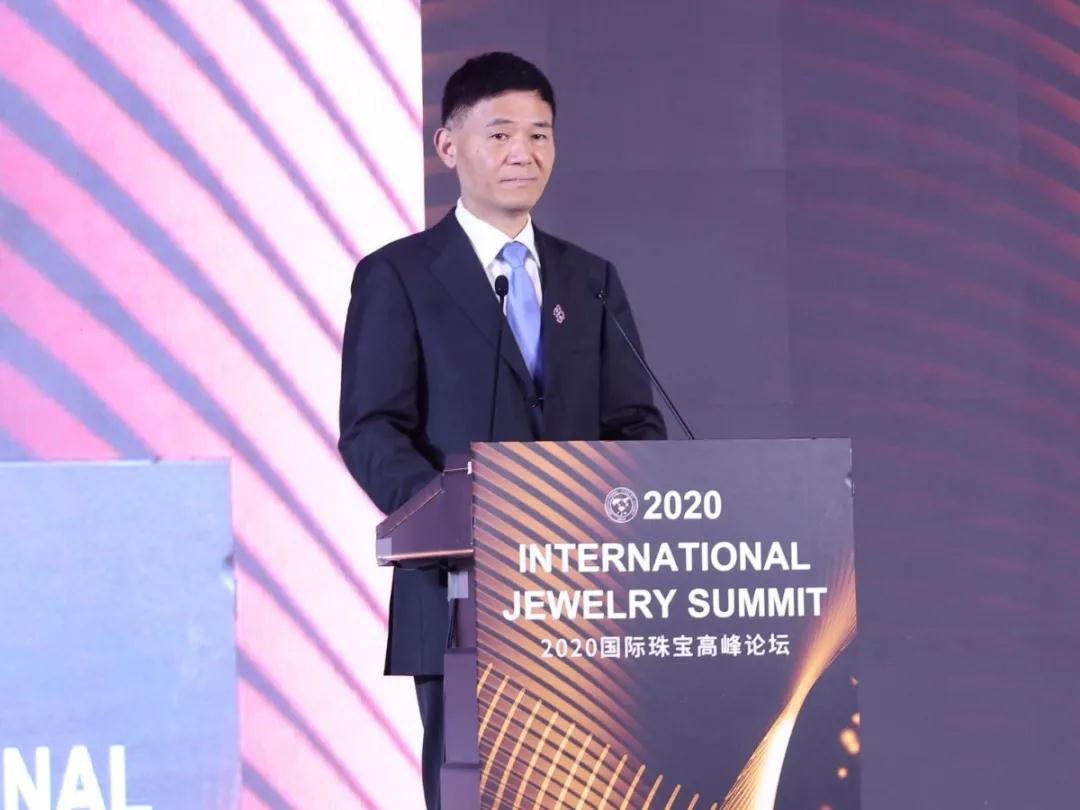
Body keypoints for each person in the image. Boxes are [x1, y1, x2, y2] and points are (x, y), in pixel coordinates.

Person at [338, 51, 666, 810]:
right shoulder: (398, 276)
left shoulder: (591, 279)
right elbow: (372, 429)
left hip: (583, 602)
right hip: (462, 595)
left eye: (540, 135)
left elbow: (635, 422)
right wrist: (468, 519)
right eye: (500, 134)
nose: (524, 152)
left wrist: (611, 514)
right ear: (448, 146)